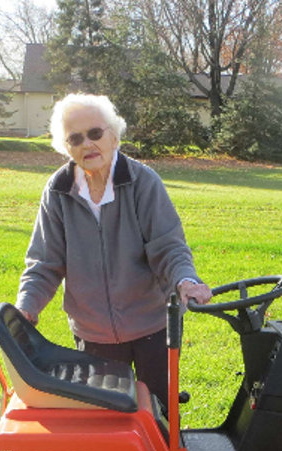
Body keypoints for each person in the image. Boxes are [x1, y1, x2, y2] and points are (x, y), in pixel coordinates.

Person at [15, 93, 212, 407]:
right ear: (65, 147)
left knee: (158, 413)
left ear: (115, 136)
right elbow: (45, 262)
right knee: (105, 418)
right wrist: (26, 308)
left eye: (95, 133)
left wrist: (185, 281)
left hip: (152, 326)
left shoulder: (143, 182)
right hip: (93, 334)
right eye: (75, 138)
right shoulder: (57, 192)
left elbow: (169, 248)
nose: (87, 144)